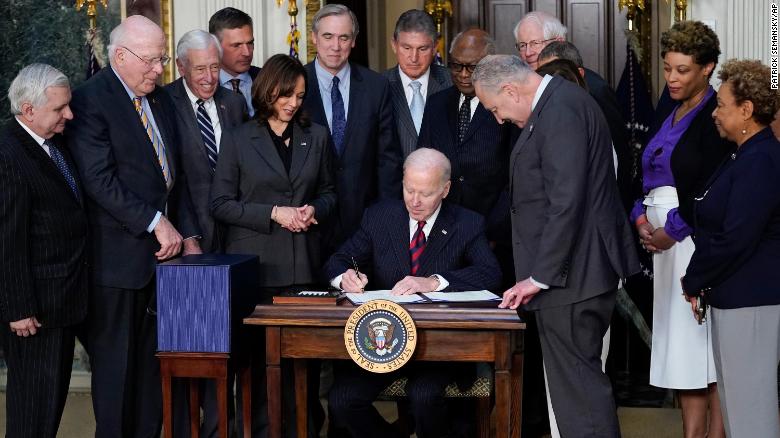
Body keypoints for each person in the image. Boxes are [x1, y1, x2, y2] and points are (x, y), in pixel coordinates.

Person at [473, 54, 638, 437]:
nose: (499, 118)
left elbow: (567, 201)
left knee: (579, 393)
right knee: (574, 392)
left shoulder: (561, 109)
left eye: (495, 108)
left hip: (572, 279)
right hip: (572, 276)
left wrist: (539, 277)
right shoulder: (559, 103)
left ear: (511, 90)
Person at [67, 15, 201, 437]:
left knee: (150, 374)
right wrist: (155, 221)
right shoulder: (91, 100)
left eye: (161, 59)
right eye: (151, 60)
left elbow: (172, 177)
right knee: (116, 376)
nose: (158, 68)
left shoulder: (158, 99)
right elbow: (98, 180)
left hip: (162, 262)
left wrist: (188, 233)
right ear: (120, 57)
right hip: (116, 266)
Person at [324, 147, 501, 438]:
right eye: (409, 190)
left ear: (445, 189)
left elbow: (491, 273)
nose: (415, 201)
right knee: (342, 400)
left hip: (439, 349)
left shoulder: (467, 223)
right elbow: (339, 260)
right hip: (387, 343)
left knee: (424, 397)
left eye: (426, 193)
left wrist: (433, 282)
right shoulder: (380, 216)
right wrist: (345, 277)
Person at [210, 53, 336, 437]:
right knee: (260, 365)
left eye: (299, 95)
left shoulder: (315, 135)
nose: (293, 103)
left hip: (304, 269)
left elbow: (332, 192)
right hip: (258, 270)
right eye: (286, 95)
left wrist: (315, 208)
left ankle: (306, 430)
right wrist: (274, 213)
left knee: (304, 364)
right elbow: (220, 204)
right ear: (267, 92)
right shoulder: (237, 138)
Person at [630, 21, 732, 438]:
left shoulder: (715, 114)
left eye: (682, 70)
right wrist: (639, 214)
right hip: (661, 242)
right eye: (668, 68)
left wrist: (672, 229)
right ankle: (692, 433)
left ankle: (716, 434)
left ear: (707, 68)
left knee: (703, 345)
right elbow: (647, 172)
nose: (672, 78)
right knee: (682, 349)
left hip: (690, 240)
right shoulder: (667, 107)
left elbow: (713, 183)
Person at [682, 59, 780, 438]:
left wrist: (694, 278)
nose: (714, 114)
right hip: (734, 296)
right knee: (739, 408)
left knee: (751, 413)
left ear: (747, 109)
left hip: (751, 300)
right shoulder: (744, 154)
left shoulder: (761, 161)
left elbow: (736, 237)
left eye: (721, 105)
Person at [165, 29, 247, 438]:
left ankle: (220, 430)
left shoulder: (234, 103)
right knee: (190, 344)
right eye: (200, 68)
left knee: (228, 345)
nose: (209, 77)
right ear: (181, 67)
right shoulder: (164, 103)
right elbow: (169, 181)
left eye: (215, 67)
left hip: (235, 239)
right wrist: (189, 235)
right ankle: (185, 430)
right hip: (188, 242)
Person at [0, 64, 86, 438]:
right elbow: (7, 239)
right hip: (34, 312)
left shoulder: (51, 142)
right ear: (28, 109)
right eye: (59, 108)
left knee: (47, 408)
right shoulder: (7, 155)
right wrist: (18, 308)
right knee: (32, 413)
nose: (69, 114)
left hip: (63, 299)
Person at [417, 29, 515, 284]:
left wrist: (492, 230)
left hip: (494, 234)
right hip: (442, 232)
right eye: (456, 65)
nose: (462, 74)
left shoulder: (506, 106)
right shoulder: (436, 104)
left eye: (471, 67)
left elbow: (515, 178)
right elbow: (423, 162)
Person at [302, 3, 402, 249]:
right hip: (307, 223)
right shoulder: (296, 84)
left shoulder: (376, 86)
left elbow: (388, 160)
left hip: (363, 222)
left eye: (343, 37)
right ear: (314, 38)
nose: (335, 46)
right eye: (328, 36)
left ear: (354, 41)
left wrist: (385, 218)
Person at [535, 39, 633, 211]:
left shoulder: (597, 93)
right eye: (542, 75)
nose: (546, 83)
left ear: (578, 73)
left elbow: (617, 150)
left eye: (553, 74)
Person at [383, 9, 451, 158]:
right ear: (394, 45)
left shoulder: (452, 83)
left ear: (435, 47)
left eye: (422, 48)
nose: (414, 58)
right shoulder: (378, 86)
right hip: (395, 179)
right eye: (406, 48)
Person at [209, 7, 260, 117]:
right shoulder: (203, 85)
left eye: (250, 43)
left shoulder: (268, 79)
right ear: (215, 46)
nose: (247, 53)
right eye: (236, 45)